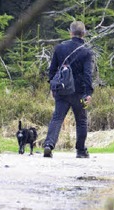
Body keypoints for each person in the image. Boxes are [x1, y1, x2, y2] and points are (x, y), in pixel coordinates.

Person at [43, 20, 94, 158]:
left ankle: (49, 145)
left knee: (57, 118)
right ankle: (81, 150)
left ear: (70, 33)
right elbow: (88, 74)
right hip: (80, 93)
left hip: (62, 91)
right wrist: (88, 93)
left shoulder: (60, 48)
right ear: (84, 34)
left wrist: (53, 87)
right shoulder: (86, 52)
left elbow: (52, 70)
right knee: (82, 120)